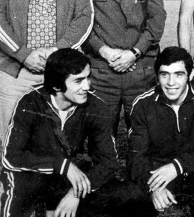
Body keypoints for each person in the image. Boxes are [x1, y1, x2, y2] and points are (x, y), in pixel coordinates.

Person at [0, 0, 94, 154]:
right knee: (10, 142)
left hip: (59, 74)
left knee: (55, 142)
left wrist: (57, 51)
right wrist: (23, 54)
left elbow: (85, 17)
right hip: (15, 73)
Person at [1, 48, 119, 217]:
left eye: (88, 77)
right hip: (33, 174)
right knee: (18, 193)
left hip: (69, 176)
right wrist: (62, 165)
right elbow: (10, 157)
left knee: (127, 195)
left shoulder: (96, 106)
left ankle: (54, 209)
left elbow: (108, 162)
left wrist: (76, 193)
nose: (87, 86)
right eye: (78, 81)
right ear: (56, 85)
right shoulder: (30, 102)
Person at [82, 0, 166, 135]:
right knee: (100, 138)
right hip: (101, 71)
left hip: (141, 70)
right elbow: (80, 23)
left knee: (145, 137)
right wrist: (105, 51)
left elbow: (157, 20)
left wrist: (135, 52)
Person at [128, 47, 194, 216]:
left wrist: (177, 166)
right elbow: (136, 157)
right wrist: (153, 187)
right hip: (159, 172)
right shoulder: (143, 104)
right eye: (164, 75)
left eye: (178, 74)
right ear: (157, 77)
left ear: (189, 75)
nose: (171, 83)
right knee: (129, 194)